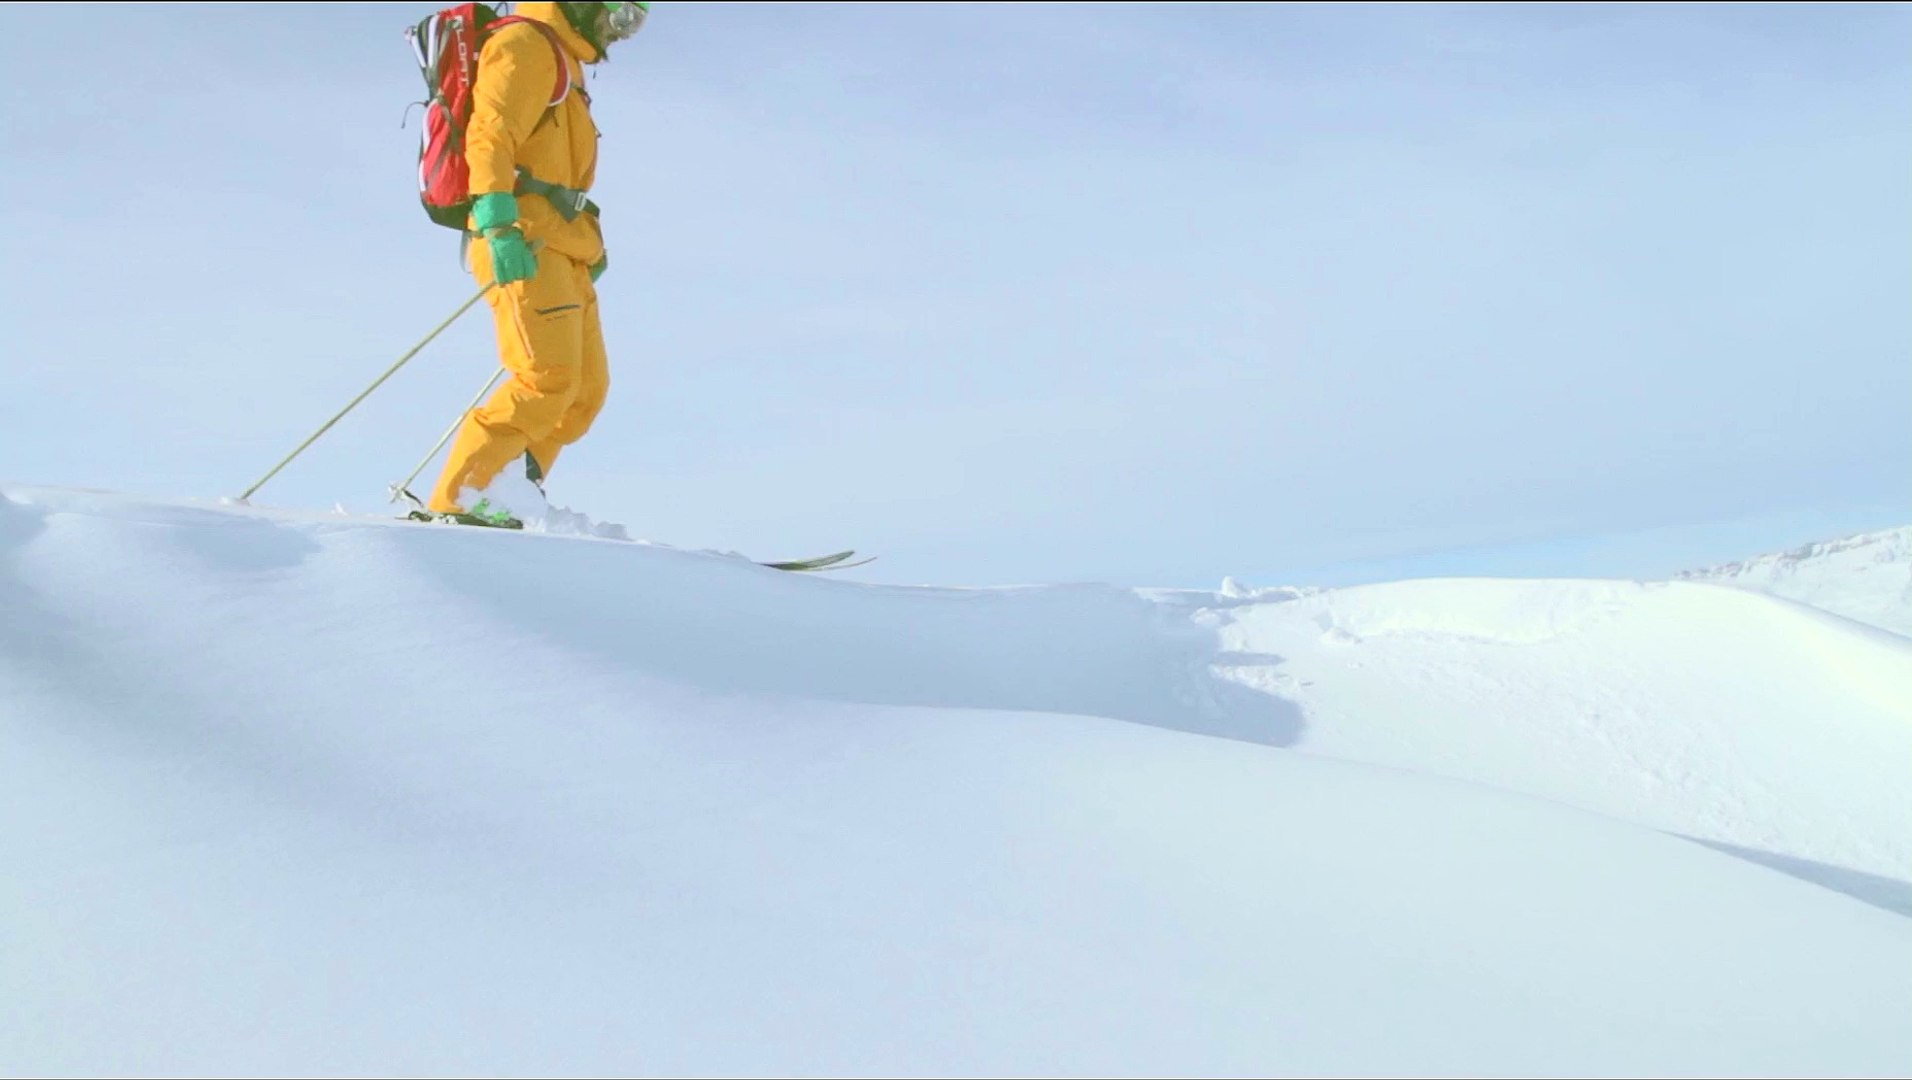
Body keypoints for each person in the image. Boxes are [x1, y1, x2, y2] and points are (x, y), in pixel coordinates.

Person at [425, 1, 649, 527]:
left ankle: (506, 494)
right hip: (523, 240)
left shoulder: (567, 65)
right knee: (545, 379)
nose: (621, 33)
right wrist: (498, 222)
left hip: (562, 246)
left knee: (583, 395)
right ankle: (462, 499)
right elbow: (491, 134)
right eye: (619, 17)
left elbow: (556, 170)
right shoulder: (525, 44)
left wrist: (586, 243)